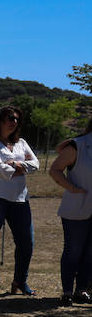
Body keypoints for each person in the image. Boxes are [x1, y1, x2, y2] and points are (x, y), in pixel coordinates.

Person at [0, 106, 40, 298]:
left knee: (27, 242)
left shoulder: (21, 143)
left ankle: (20, 281)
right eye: (10, 118)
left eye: (17, 119)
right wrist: (21, 167)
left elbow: (36, 164)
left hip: (19, 198)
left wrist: (15, 165)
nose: (14, 122)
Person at [50, 116, 92, 305]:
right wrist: (72, 188)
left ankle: (81, 290)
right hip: (77, 207)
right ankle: (67, 291)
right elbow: (55, 169)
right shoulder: (77, 145)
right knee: (73, 251)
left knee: (90, 253)